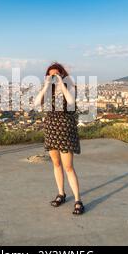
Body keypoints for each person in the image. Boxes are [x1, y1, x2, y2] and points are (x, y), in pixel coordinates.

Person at [34, 62, 84, 215]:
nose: (53, 77)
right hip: (51, 130)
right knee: (56, 164)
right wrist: (45, 85)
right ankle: (61, 194)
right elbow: (36, 104)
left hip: (65, 131)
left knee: (68, 167)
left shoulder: (70, 88)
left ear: (62, 74)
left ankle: (78, 200)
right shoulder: (48, 90)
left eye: (56, 74)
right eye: (50, 75)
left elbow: (70, 103)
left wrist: (62, 83)